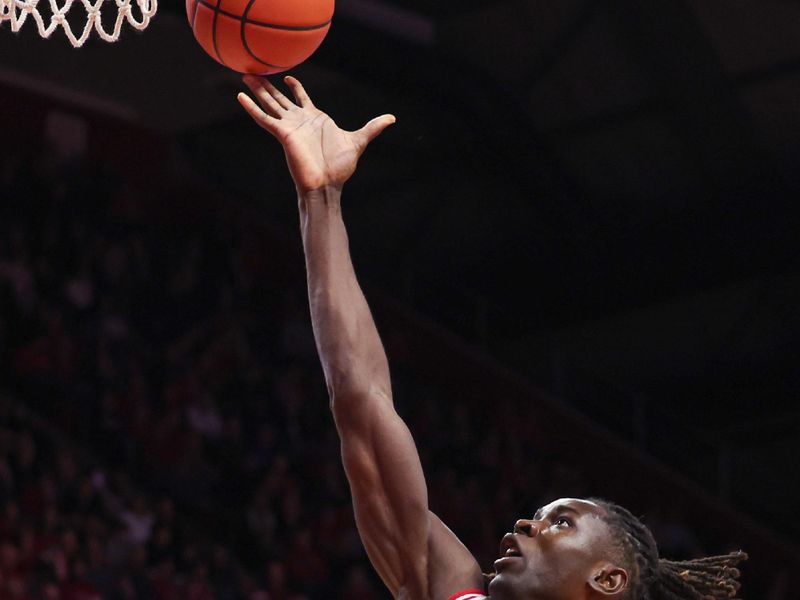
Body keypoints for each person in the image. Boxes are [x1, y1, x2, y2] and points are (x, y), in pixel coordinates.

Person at [237, 75, 746, 600]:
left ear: (608, 578)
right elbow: (360, 399)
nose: (523, 526)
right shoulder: (454, 587)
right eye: (542, 518)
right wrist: (320, 198)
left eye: (561, 523)